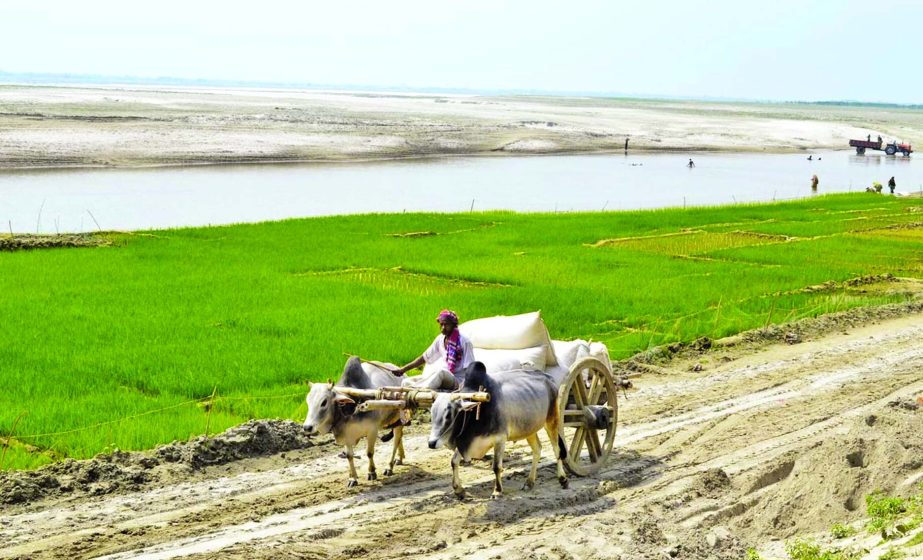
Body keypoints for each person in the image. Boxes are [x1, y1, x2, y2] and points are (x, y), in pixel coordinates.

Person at [392, 309, 474, 390]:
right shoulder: (440, 339)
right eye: (441, 325)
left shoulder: (464, 341)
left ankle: (420, 389)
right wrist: (403, 370)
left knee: (440, 372)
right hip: (442, 377)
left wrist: (465, 387)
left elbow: (470, 367)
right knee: (406, 382)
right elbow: (423, 358)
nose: (443, 328)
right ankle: (416, 388)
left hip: (457, 380)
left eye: (446, 325)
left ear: (454, 325)